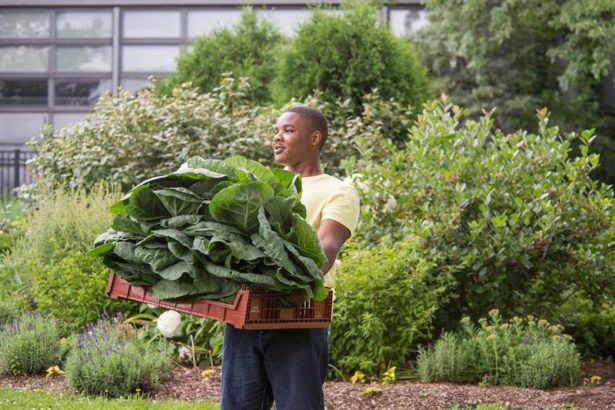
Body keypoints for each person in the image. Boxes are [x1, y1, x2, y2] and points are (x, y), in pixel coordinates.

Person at [220, 106, 360, 410]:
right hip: (246, 313)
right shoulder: (261, 185)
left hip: (299, 314)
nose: (277, 138)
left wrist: (290, 287)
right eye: (275, 131)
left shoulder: (338, 191)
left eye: (287, 130)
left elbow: (327, 246)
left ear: (314, 137)